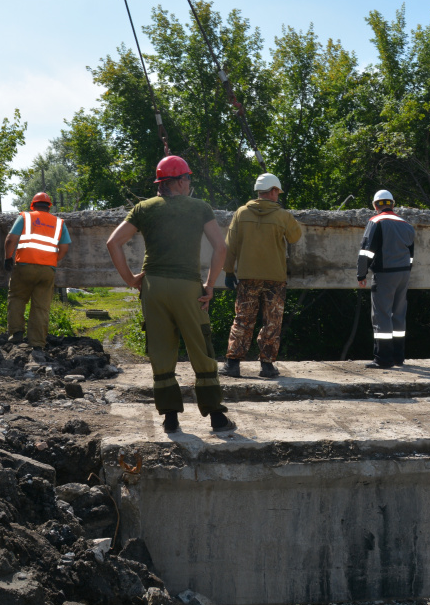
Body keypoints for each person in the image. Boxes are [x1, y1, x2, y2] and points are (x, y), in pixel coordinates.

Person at [105, 155, 236, 435]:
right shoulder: (200, 208)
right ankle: (216, 417)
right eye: (187, 178)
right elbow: (221, 248)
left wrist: (131, 280)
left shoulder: (143, 208)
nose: (189, 183)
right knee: (200, 348)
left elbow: (113, 242)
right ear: (177, 181)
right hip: (187, 287)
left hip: (152, 287)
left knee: (162, 352)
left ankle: (171, 419)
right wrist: (210, 284)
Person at [221, 172, 303, 379]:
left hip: (248, 276)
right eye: (277, 192)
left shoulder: (241, 213)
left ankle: (232, 364)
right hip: (275, 278)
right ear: (273, 191)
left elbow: (230, 246)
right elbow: (295, 237)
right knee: (272, 321)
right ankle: (267, 366)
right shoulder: (282, 216)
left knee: (243, 319)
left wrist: (229, 271)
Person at [3, 191, 71, 348]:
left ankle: (16, 334)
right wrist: (52, 260)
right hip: (47, 270)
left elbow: (10, 239)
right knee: (41, 307)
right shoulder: (59, 223)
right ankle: (37, 343)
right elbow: (64, 248)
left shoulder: (25, 217)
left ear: (32, 205)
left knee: (17, 298)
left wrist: (8, 258)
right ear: (49, 207)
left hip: (24, 267)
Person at [356, 189, 415, 369]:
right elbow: (411, 253)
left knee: (381, 315)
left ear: (375, 206)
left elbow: (366, 250)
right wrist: (406, 270)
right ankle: (398, 357)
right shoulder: (406, 224)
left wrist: (361, 274)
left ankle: (383, 359)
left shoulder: (375, 221)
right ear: (392, 204)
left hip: (384, 273)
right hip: (403, 273)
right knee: (398, 315)